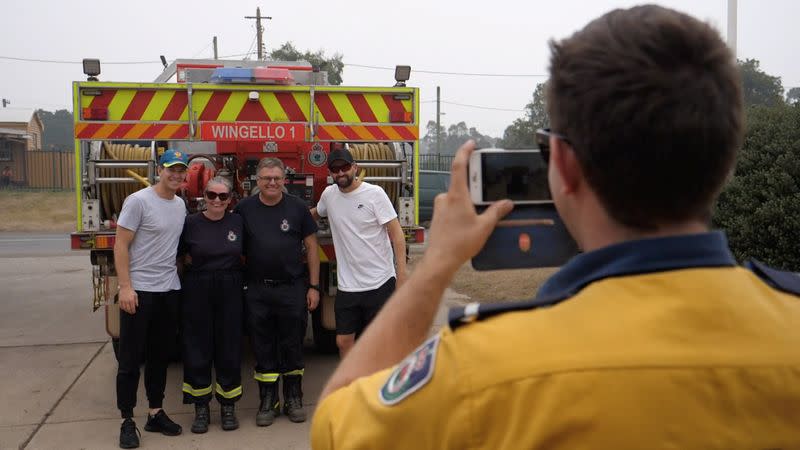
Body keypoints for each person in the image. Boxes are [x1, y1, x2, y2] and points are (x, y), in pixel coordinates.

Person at [311, 5, 800, 449]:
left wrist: (437, 266)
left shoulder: (480, 372)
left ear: (562, 165)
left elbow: (335, 427)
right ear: (727, 160)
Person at [233, 157, 320, 426]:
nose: (271, 183)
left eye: (276, 178)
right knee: (263, 346)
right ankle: (268, 400)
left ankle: (293, 397)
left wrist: (314, 286)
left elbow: (312, 247)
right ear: (256, 181)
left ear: (284, 180)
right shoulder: (243, 208)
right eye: (266, 178)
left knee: (292, 344)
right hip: (257, 289)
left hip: (291, 289)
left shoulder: (297, 208)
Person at [114, 149, 188, 449]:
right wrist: (125, 287)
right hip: (140, 291)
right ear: (160, 170)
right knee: (131, 359)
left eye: (181, 170)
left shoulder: (180, 205)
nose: (176, 175)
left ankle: (155, 412)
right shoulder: (138, 201)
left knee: (160, 356)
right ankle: (127, 420)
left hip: (168, 290)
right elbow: (120, 245)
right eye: (171, 169)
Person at [311, 148, 407, 357]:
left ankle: (379, 385)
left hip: (380, 282)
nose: (340, 173)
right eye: (335, 170)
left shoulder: (375, 194)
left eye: (345, 167)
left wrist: (402, 275)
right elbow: (315, 215)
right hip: (349, 286)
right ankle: (354, 384)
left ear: (355, 167)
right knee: (343, 341)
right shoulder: (329, 195)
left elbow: (397, 235)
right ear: (330, 173)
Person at [179, 176, 244, 433]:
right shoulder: (190, 223)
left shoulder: (238, 222)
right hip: (198, 286)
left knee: (229, 346)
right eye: (211, 195)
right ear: (203, 197)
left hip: (230, 286)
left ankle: (228, 406)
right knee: (197, 346)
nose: (217, 200)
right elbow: (179, 257)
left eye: (223, 196)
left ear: (230, 200)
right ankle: (201, 407)